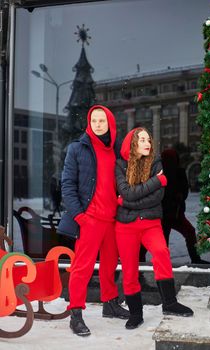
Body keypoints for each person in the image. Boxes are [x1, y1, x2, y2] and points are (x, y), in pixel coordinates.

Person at [60, 105, 129, 337]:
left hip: (112, 219)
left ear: (110, 123)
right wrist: (80, 215)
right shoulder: (77, 149)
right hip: (89, 218)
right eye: (94, 121)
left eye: (102, 121)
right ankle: (76, 313)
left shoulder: (117, 150)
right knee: (82, 267)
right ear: (89, 124)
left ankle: (110, 304)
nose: (98, 125)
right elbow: (67, 185)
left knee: (110, 265)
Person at [115, 127, 193, 330]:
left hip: (150, 223)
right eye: (141, 140)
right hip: (126, 227)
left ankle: (169, 303)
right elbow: (127, 192)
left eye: (148, 139)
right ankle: (135, 313)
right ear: (132, 143)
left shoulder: (156, 162)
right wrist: (156, 181)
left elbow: (156, 196)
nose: (147, 143)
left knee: (161, 252)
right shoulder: (120, 165)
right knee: (130, 269)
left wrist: (127, 200)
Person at [161, 148, 209, 264]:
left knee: (189, 232)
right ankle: (162, 263)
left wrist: (179, 196)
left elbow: (184, 191)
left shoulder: (178, 172)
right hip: (165, 215)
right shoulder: (161, 172)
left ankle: (195, 259)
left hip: (175, 214)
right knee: (163, 241)